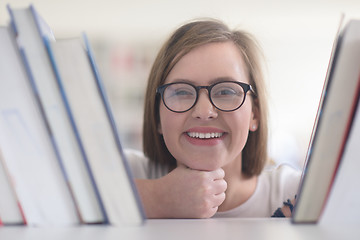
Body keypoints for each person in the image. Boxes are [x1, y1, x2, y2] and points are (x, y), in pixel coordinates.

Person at [125, 18, 301, 218]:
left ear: (255, 114)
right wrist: (157, 198)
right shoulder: (124, 173)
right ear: (157, 116)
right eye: (181, 92)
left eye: (225, 91)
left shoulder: (296, 192)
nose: (204, 110)